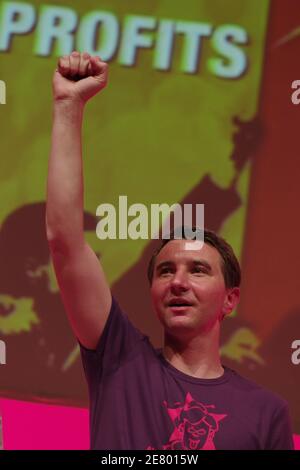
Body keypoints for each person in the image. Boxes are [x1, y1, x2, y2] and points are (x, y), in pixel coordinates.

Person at [46, 51, 294, 450]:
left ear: (231, 299)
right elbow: (64, 240)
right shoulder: (118, 359)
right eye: (165, 271)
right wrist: (67, 106)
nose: (178, 281)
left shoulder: (268, 413)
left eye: (198, 269)